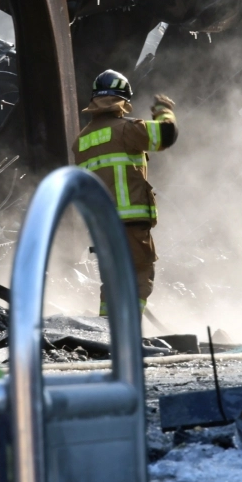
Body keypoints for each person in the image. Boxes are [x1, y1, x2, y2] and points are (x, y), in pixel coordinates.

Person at [73, 69, 177, 314]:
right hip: (130, 221)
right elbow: (167, 134)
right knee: (140, 273)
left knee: (112, 280)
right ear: (123, 101)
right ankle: (129, 332)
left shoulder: (81, 140)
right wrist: (164, 110)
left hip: (101, 224)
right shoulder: (126, 129)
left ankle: (105, 332)